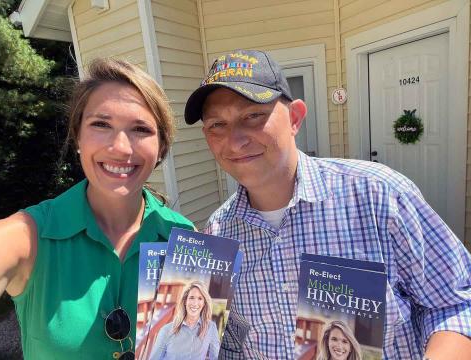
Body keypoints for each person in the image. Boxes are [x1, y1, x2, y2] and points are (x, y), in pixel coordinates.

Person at [184, 49, 471, 359]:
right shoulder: (216, 237)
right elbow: (227, 342)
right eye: (217, 125)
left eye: (252, 116)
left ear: (294, 118)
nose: (235, 140)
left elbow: (456, 302)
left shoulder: (380, 196)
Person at [0, 58, 193, 359]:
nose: (121, 147)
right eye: (101, 124)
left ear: (161, 147)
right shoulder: (28, 236)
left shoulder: (183, 237)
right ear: (78, 137)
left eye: (140, 129)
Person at [150, 280, 220, 360]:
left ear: (204, 303)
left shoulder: (210, 327)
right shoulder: (166, 330)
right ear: (185, 301)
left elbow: (215, 357)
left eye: (200, 298)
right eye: (191, 298)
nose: (195, 303)